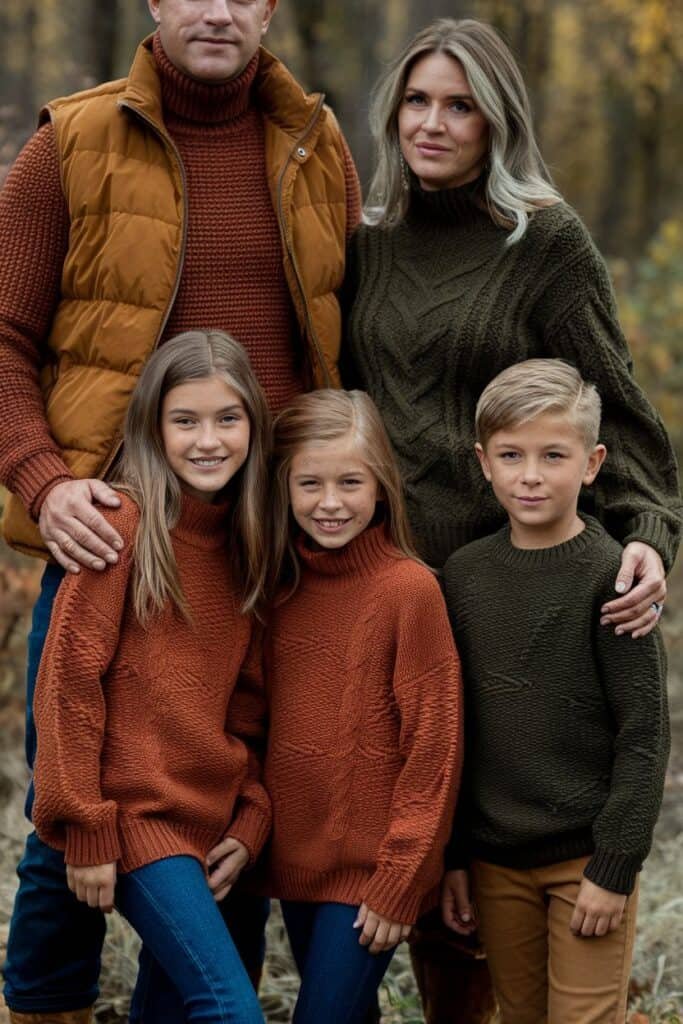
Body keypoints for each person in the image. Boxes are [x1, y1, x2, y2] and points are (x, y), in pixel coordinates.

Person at [0, 0, 360, 1019]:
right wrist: (42, 474)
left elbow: (351, 331)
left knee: (235, 785)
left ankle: (198, 997)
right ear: (155, 1)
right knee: (67, 809)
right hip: (114, 531)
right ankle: (43, 1007)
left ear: (270, 9)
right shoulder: (69, 143)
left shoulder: (313, 144)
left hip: (267, 541)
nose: (216, 10)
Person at [341, 17, 681, 1020]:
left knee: (499, 868)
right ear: (391, 110)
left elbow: (623, 421)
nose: (433, 123)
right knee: (424, 888)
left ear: (497, 123)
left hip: (510, 596)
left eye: (460, 105)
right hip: (388, 592)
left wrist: (647, 547)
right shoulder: (363, 237)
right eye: (416, 101)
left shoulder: (545, 239)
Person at [28, 330, 272, 1024]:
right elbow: (68, 686)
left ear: (254, 425)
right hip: (137, 820)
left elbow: (248, 710)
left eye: (228, 419)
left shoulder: (246, 545)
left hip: (212, 823)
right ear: (152, 426)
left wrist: (252, 816)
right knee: (231, 1010)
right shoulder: (123, 526)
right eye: (185, 420)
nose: (208, 440)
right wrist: (85, 828)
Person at [440, 359, 670, 1023]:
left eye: (552, 455)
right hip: (494, 862)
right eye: (511, 455)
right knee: (519, 1015)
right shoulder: (462, 576)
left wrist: (614, 865)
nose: (530, 475)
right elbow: (457, 728)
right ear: (484, 463)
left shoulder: (611, 576)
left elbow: (644, 732)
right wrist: (455, 857)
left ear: (591, 463)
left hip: (584, 861)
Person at [262, 389, 463, 1024]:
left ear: (381, 484)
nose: (329, 502)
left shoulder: (409, 588)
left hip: (373, 868)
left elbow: (435, 743)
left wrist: (401, 877)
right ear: (283, 487)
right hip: (294, 858)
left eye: (351, 481)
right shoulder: (276, 584)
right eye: (310, 483)